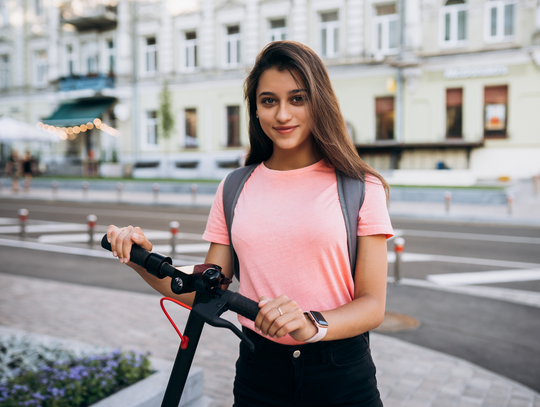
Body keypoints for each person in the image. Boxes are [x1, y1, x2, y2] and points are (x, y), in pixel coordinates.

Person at [107, 41, 393, 407]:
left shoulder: (358, 185)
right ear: (255, 110)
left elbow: (373, 305)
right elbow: (204, 290)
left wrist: (311, 324)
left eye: (298, 98)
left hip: (339, 374)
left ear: (319, 102)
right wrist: (140, 258)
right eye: (269, 101)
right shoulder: (234, 187)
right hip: (260, 373)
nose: (283, 114)